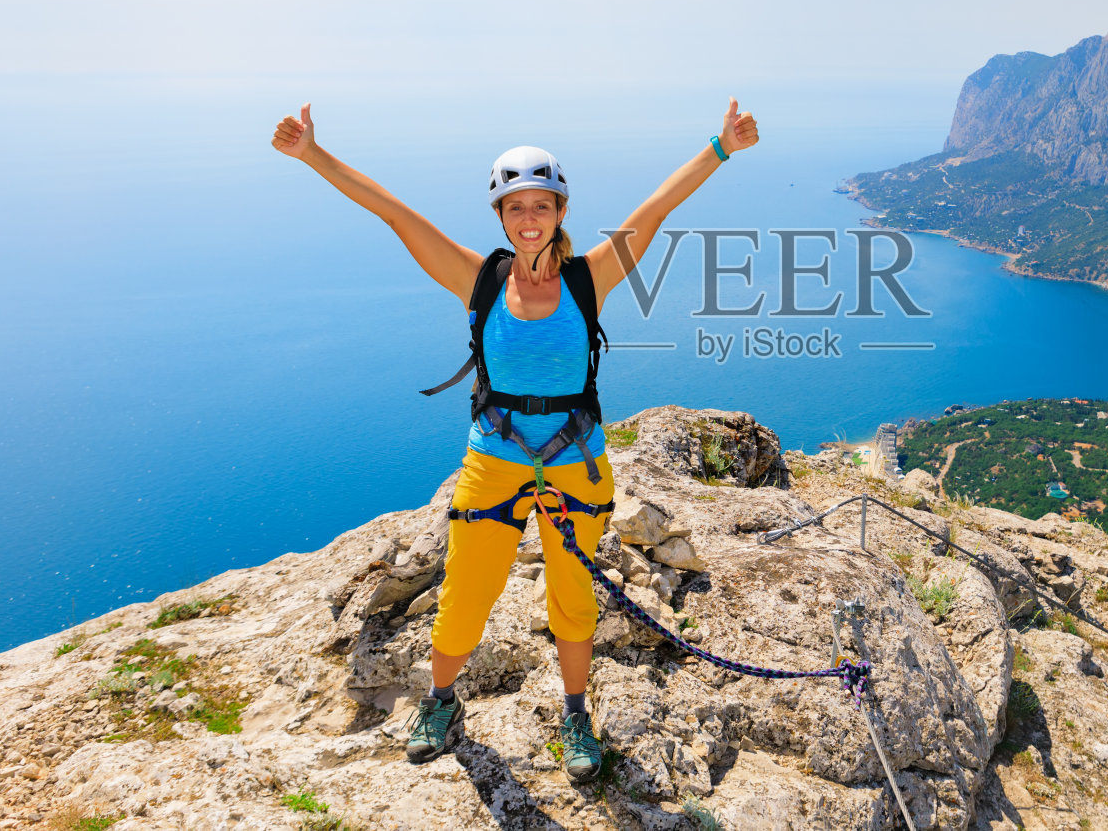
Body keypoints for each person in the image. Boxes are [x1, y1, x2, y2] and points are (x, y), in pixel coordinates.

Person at [270, 99, 759, 778]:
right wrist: (312, 155)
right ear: (500, 217)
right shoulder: (480, 280)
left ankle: (577, 715)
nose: (528, 219)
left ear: (560, 211)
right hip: (493, 462)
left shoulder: (590, 277)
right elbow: (395, 212)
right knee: (466, 590)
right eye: (515, 207)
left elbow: (654, 211)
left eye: (541, 205)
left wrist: (721, 146)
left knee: (572, 596)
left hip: (576, 464)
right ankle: (441, 700)